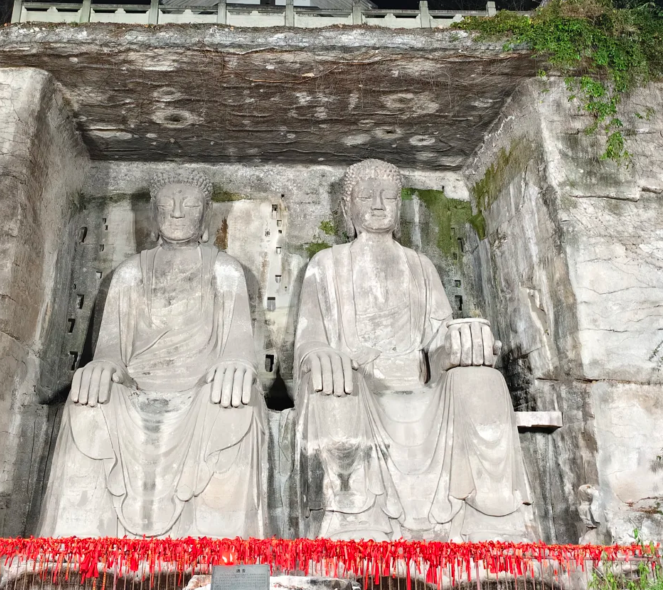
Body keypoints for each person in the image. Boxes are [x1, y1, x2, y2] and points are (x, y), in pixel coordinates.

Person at [294, 158, 531, 541]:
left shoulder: (420, 266)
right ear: (346, 207)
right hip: (359, 385)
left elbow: (438, 343)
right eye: (366, 196)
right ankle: (356, 518)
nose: (377, 205)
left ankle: (492, 518)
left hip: (421, 385)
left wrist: (460, 344)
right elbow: (309, 341)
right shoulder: (326, 264)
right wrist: (322, 354)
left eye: (389, 196)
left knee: (482, 380)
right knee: (334, 387)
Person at [39, 170, 266, 538]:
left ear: (205, 214)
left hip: (201, 388)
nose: (177, 213)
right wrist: (102, 366)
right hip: (139, 385)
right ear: (153, 214)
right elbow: (110, 349)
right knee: (87, 400)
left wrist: (235, 364)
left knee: (233, 402)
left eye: (190, 204)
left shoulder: (224, 270)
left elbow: (238, 346)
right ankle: (73, 547)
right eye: (167, 205)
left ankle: (222, 548)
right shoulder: (130, 273)